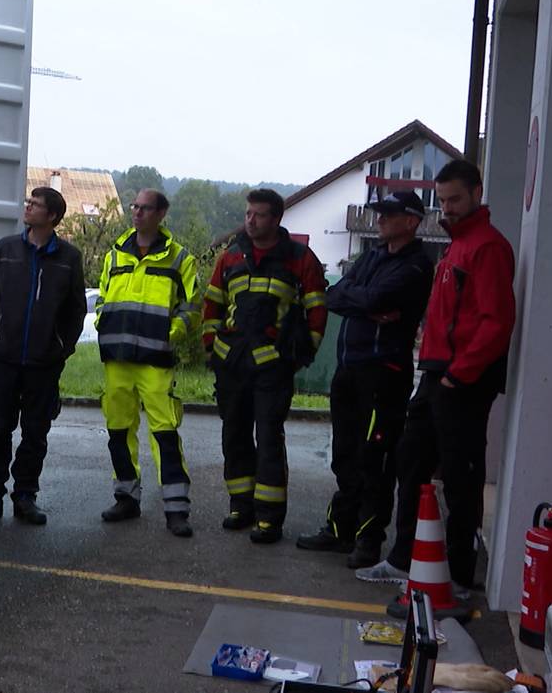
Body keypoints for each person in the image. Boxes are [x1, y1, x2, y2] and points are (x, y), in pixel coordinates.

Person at [356, 160, 515, 598]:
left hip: (461, 380)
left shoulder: (488, 247)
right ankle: (404, 560)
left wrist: (458, 377)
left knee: (462, 481)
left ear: (477, 194)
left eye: (455, 200)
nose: (447, 209)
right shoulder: (456, 246)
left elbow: (497, 322)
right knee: (410, 463)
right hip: (435, 376)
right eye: (442, 201)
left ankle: (460, 579)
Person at [296, 190, 433, 568]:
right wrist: (366, 303)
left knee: (374, 458)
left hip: (383, 374)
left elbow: (370, 300)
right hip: (349, 369)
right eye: (379, 213)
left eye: (389, 214)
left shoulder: (417, 266)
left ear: (411, 221)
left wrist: (365, 302)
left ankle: (368, 540)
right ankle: (340, 530)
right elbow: (335, 295)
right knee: (344, 454)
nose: (380, 219)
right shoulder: (372, 256)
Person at [202, 188, 328, 544]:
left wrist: (305, 353)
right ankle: (241, 506)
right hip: (232, 363)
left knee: (269, 439)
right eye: (247, 214)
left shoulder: (300, 258)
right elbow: (211, 304)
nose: (250, 220)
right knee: (234, 434)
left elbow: (317, 310)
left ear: (276, 219)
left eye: (258, 215)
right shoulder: (230, 256)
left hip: (273, 366)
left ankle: (270, 518)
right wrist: (211, 347)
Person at [0, 186, 86, 526]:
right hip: (4, 358)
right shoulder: (5, 249)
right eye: (28, 202)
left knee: (36, 433)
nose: (28, 207)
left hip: (43, 363)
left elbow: (75, 309)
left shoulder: (69, 258)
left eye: (35, 205)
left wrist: (63, 347)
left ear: (52, 216)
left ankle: (25, 496)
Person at [94, 189, 201, 537]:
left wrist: (172, 334)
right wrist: (102, 323)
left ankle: (176, 509)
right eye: (135, 207)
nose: (137, 213)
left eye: (145, 208)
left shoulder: (179, 259)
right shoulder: (115, 254)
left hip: (155, 359)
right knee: (119, 431)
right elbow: (103, 296)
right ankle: (126, 497)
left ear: (161, 214)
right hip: (118, 358)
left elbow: (191, 307)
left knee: (164, 433)